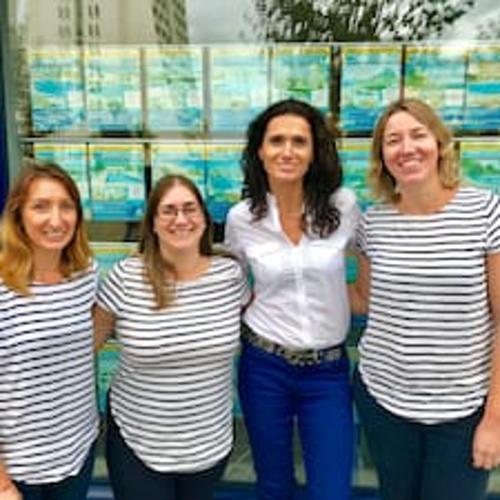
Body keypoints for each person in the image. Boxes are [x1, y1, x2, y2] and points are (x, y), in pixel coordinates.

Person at [349, 97, 500, 500]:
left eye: (418, 135)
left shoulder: (485, 211)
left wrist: (495, 419)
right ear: (382, 156)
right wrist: (285, 289)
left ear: (439, 142)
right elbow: (363, 299)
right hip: (384, 402)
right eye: (393, 140)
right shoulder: (373, 222)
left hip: (463, 411)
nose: (407, 148)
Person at [224, 98, 360, 500]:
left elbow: (367, 273)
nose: (287, 151)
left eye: (299, 141)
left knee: (332, 491)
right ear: (260, 151)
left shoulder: (344, 207)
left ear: (314, 151)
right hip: (264, 366)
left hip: (327, 372)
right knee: (274, 485)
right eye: (276, 140)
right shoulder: (241, 219)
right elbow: (235, 288)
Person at [93, 174, 249, 500]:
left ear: (205, 219)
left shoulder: (230, 276)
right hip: (138, 442)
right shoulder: (125, 277)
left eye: (190, 209)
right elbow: (85, 346)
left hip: (209, 445)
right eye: (168, 211)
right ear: (152, 223)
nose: (181, 219)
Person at [0, 160, 98, 500]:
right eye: (41, 206)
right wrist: (2, 484)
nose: (56, 220)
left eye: (66, 206)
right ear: (18, 216)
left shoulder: (85, 274)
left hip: (77, 453)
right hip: (18, 470)